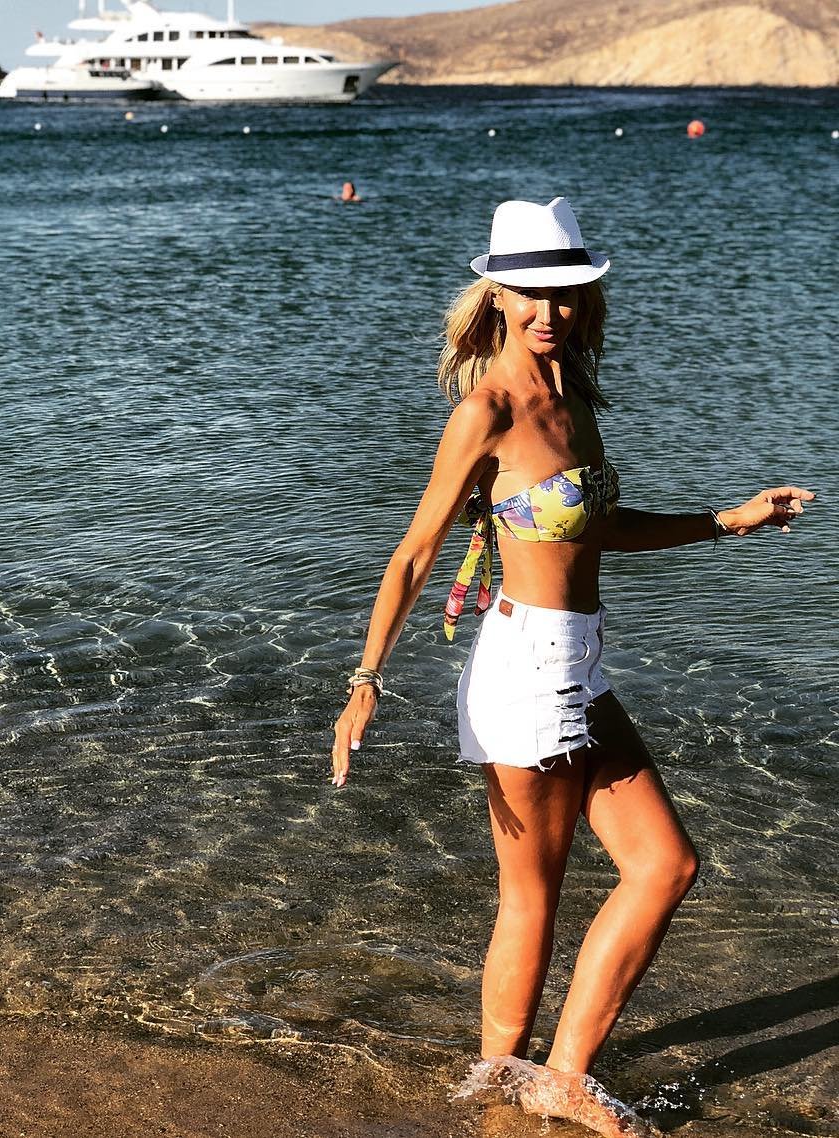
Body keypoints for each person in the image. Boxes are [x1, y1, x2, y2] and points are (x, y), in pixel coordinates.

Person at [330, 197, 813, 1128]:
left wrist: (726, 521)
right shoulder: (488, 411)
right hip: (524, 671)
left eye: (567, 294)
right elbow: (415, 553)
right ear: (498, 297)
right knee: (533, 899)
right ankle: (501, 1081)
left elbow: (597, 529)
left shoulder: (573, 398)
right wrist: (365, 681)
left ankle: (553, 1077)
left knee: (665, 866)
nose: (550, 311)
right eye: (532, 295)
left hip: (580, 665)